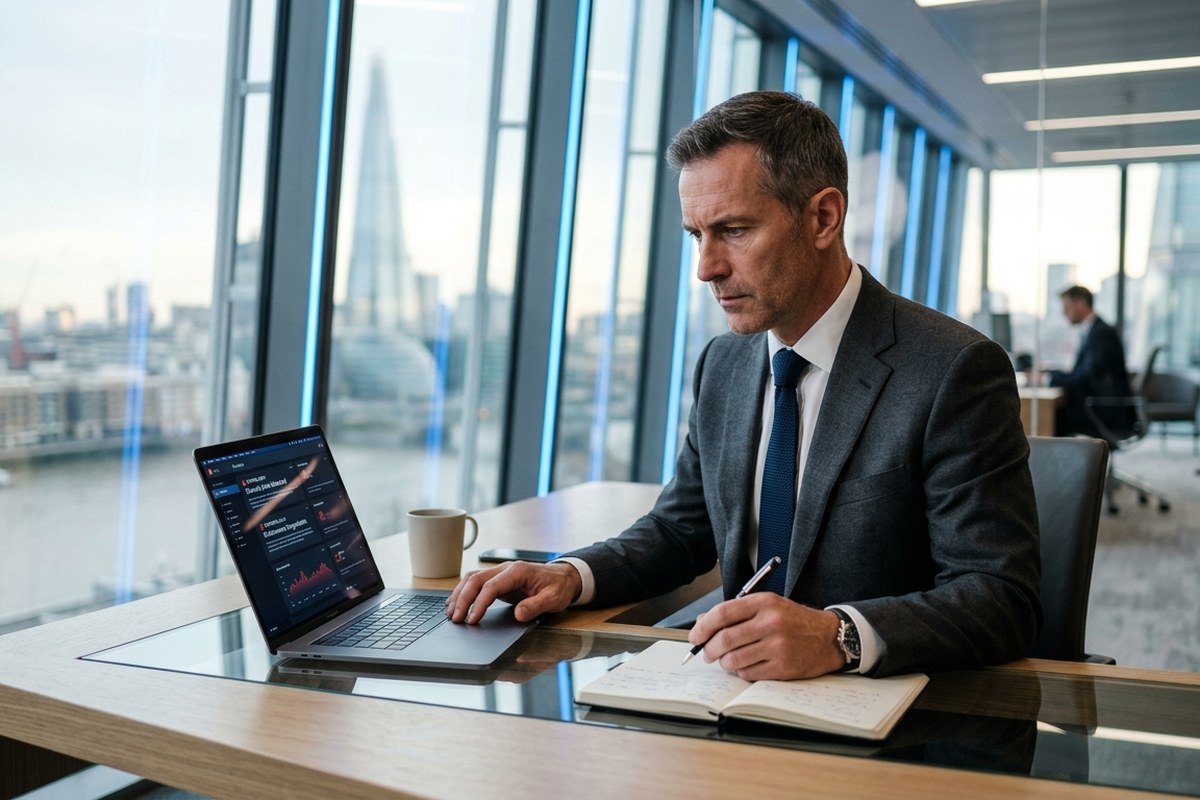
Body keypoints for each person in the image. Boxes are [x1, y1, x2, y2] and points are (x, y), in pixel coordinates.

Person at [446, 91, 1041, 680]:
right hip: (733, 695)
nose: (707, 267)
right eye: (695, 235)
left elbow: (1001, 597)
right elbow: (680, 531)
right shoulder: (725, 364)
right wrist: (572, 575)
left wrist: (840, 636)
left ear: (823, 218)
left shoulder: (952, 368)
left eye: (733, 230)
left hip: (889, 713)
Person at [1046, 285, 1135, 437]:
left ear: (1080, 303)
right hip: (1099, 406)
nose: (1064, 312)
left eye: (1067, 306)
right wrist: (1051, 374)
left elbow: (1084, 379)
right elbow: (1081, 374)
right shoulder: (1095, 330)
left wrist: (1047, 379)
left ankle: (1062, 460)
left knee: (1050, 417)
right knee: (1052, 414)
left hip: (1104, 412)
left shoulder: (1101, 334)